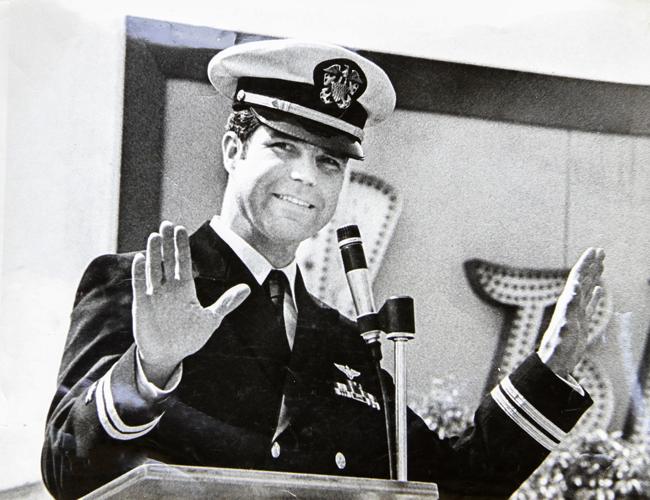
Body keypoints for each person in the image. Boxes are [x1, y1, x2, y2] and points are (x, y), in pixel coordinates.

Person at [41, 39, 605, 499]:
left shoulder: (343, 340)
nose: (307, 177)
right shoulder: (141, 286)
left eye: (329, 161)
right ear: (233, 150)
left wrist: (550, 369)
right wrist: (150, 369)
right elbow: (67, 468)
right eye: (283, 147)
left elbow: (453, 486)